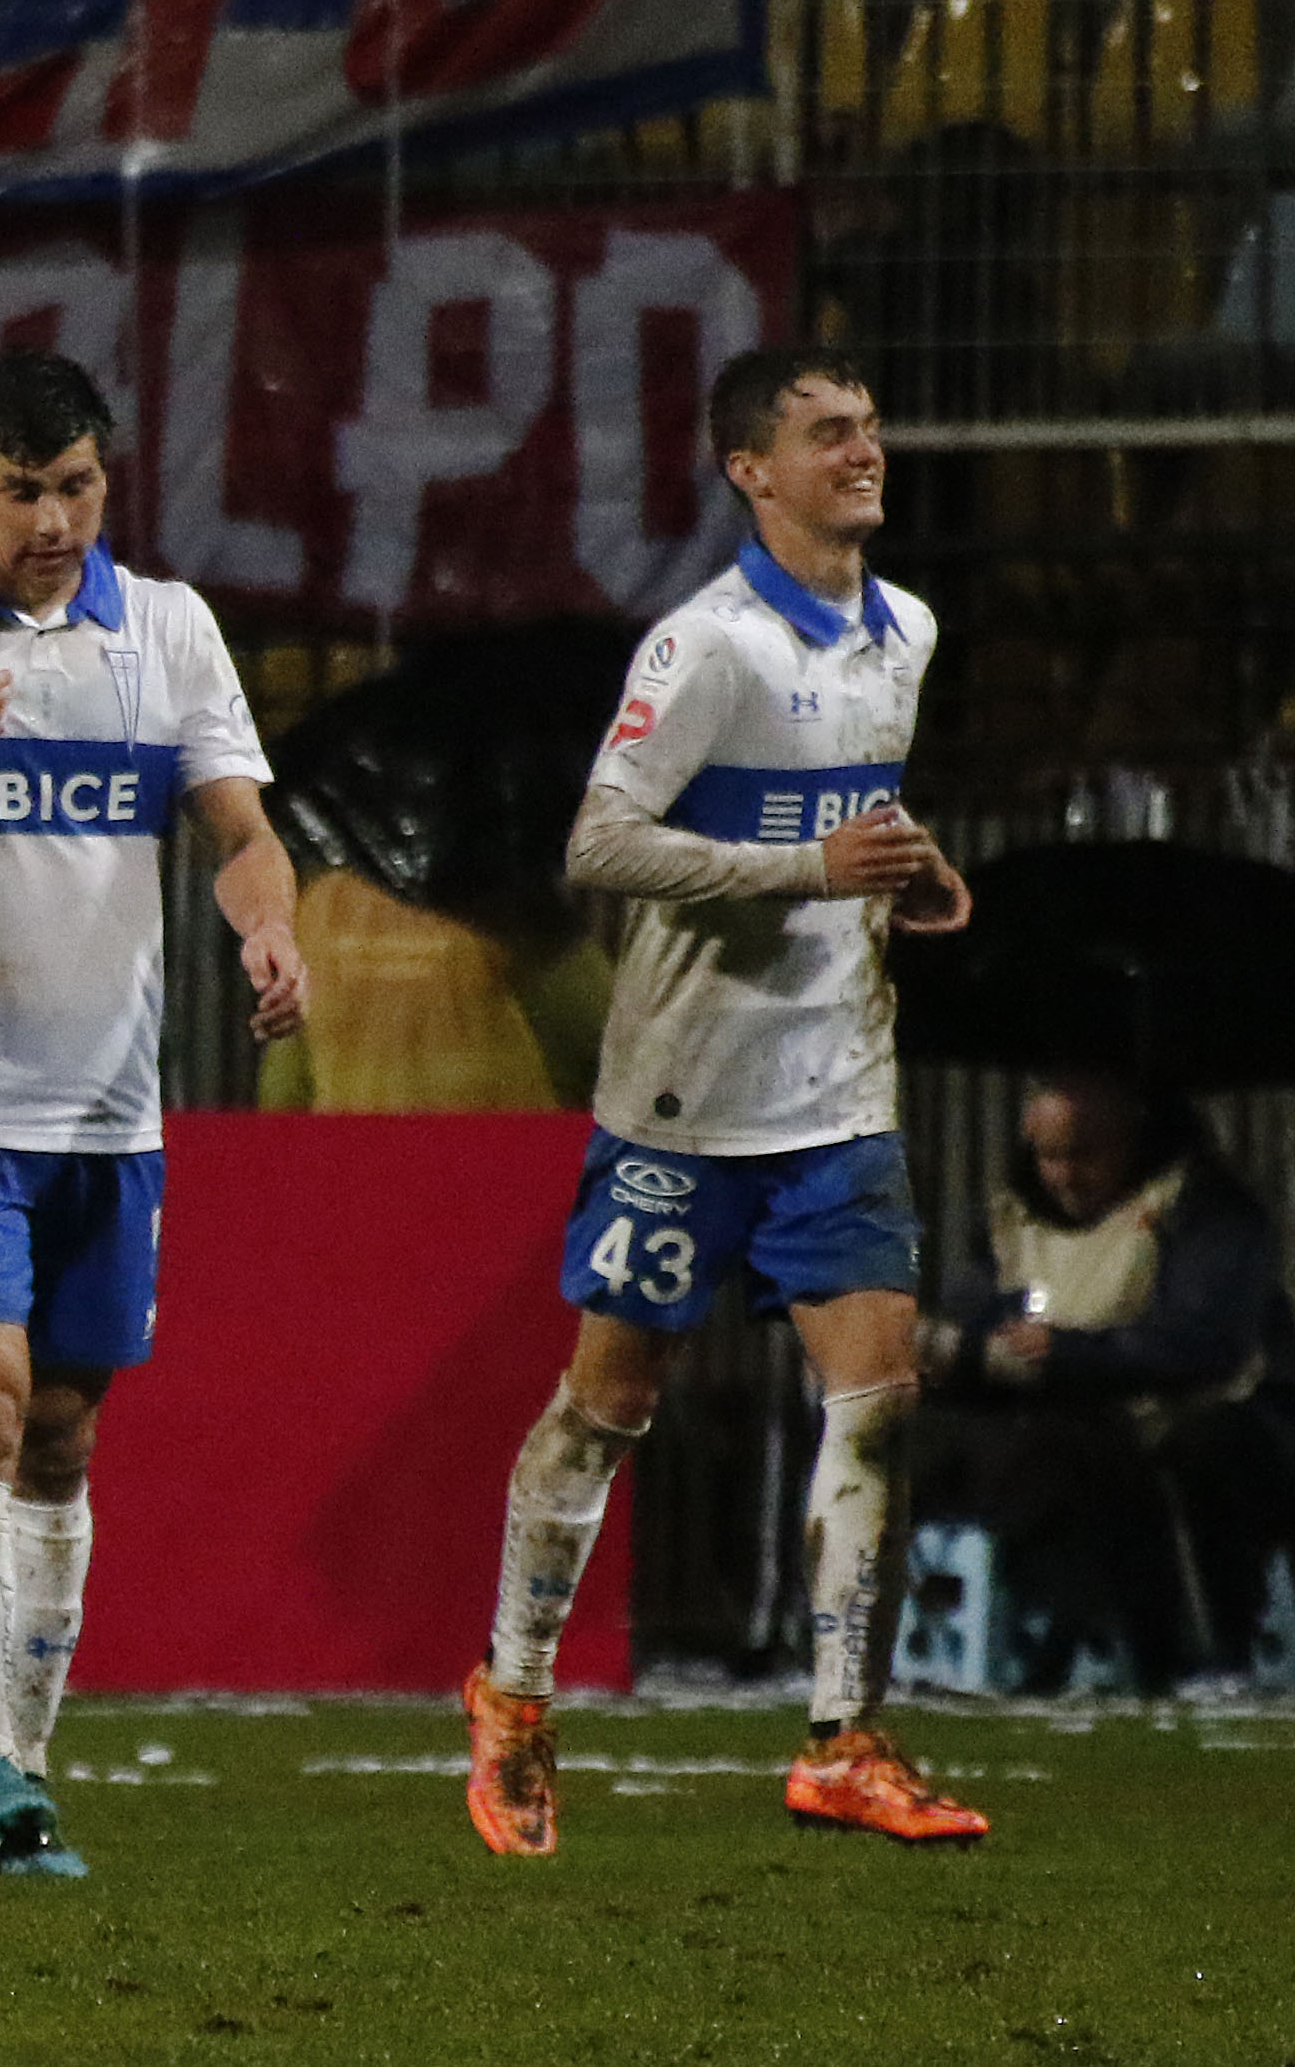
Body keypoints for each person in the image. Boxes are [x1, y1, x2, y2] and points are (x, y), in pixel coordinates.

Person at [461, 346, 984, 1854]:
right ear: (750, 470)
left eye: (869, 424)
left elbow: (844, 815)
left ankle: (840, 1737)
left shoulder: (905, 634)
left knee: (875, 1398)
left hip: (837, 1089)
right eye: (826, 433)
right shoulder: (704, 650)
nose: (861, 450)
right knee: (606, 1404)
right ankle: (511, 1692)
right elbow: (599, 844)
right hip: (682, 1102)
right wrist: (799, 872)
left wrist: (910, 866)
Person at [0, 350, 304, 1877]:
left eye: (78, 488)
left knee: (61, 1434)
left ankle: (21, 1764)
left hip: (110, 1115)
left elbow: (235, 822)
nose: (54, 520)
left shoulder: (167, 629)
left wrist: (266, 923)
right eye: (22, 492)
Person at [918, 1071, 1295, 1689]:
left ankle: (1184, 1651)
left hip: (1214, 1427)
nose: (1064, 1176)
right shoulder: (1011, 1223)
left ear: (1133, 1139)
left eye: (1083, 1156)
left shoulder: (1204, 1211)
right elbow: (979, 1319)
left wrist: (1067, 1355)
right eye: (1048, 1157)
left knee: (1178, 1463)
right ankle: (1052, 1644)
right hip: (1068, 1430)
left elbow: (1203, 1344)